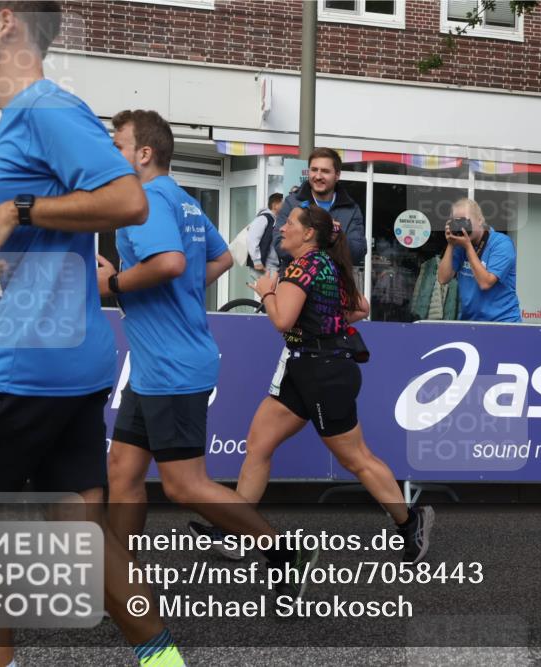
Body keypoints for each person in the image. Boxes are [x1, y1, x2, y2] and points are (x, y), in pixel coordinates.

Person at [0, 3, 179, 666]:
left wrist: (16, 208)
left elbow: (129, 200)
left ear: (8, 20)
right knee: (83, 535)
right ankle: (165, 662)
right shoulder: (26, 115)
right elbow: (42, 229)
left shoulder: (46, 109)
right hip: (69, 355)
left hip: (33, 360)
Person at [99, 110, 318, 601]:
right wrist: (175, 291)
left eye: (118, 146)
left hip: (173, 366)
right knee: (122, 471)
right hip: (156, 364)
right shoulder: (183, 200)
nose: (112, 154)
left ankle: (285, 552)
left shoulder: (151, 198)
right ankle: (120, 578)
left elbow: (171, 262)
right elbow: (221, 256)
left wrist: (112, 283)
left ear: (144, 153)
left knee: (184, 486)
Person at [191, 203, 434, 564]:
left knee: (357, 459)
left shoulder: (305, 267)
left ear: (308, 234)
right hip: (303, 369)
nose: (282, 227)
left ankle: (410, 522)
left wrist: (267, 291)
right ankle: (238, 532)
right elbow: (360, 307)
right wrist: (324, 318)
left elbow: (282, 321)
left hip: (324, 374)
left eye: (289, 223)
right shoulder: (324, 264)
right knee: (258, 445)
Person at [273, 148, 366, 270]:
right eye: (314, 170)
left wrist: (337, 238)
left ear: (337, 175)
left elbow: (358, 252)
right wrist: (320, 237)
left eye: (325, 171)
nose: (318, 176)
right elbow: (279, 243)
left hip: (334, 284)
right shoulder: (293, 202)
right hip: (296, 281)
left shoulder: (351, 208)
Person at [436, 198, 521, 323]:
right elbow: (443, 278)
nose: (461, 227)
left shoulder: (501, 244)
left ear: (480, 220)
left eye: (465, 221)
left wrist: (467, 246)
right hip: (471, 322)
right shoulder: (460, 244)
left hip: (502, 321)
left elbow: (485, 283)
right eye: (456, 222)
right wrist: (450, 244)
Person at [247, 192, 284, 273]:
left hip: (273, 266)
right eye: (283, 204)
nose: (285, 206)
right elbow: (252, 239)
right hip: (265, 267)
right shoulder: (264, 218)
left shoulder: (275, 220)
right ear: (275, 205)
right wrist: (257, 261)